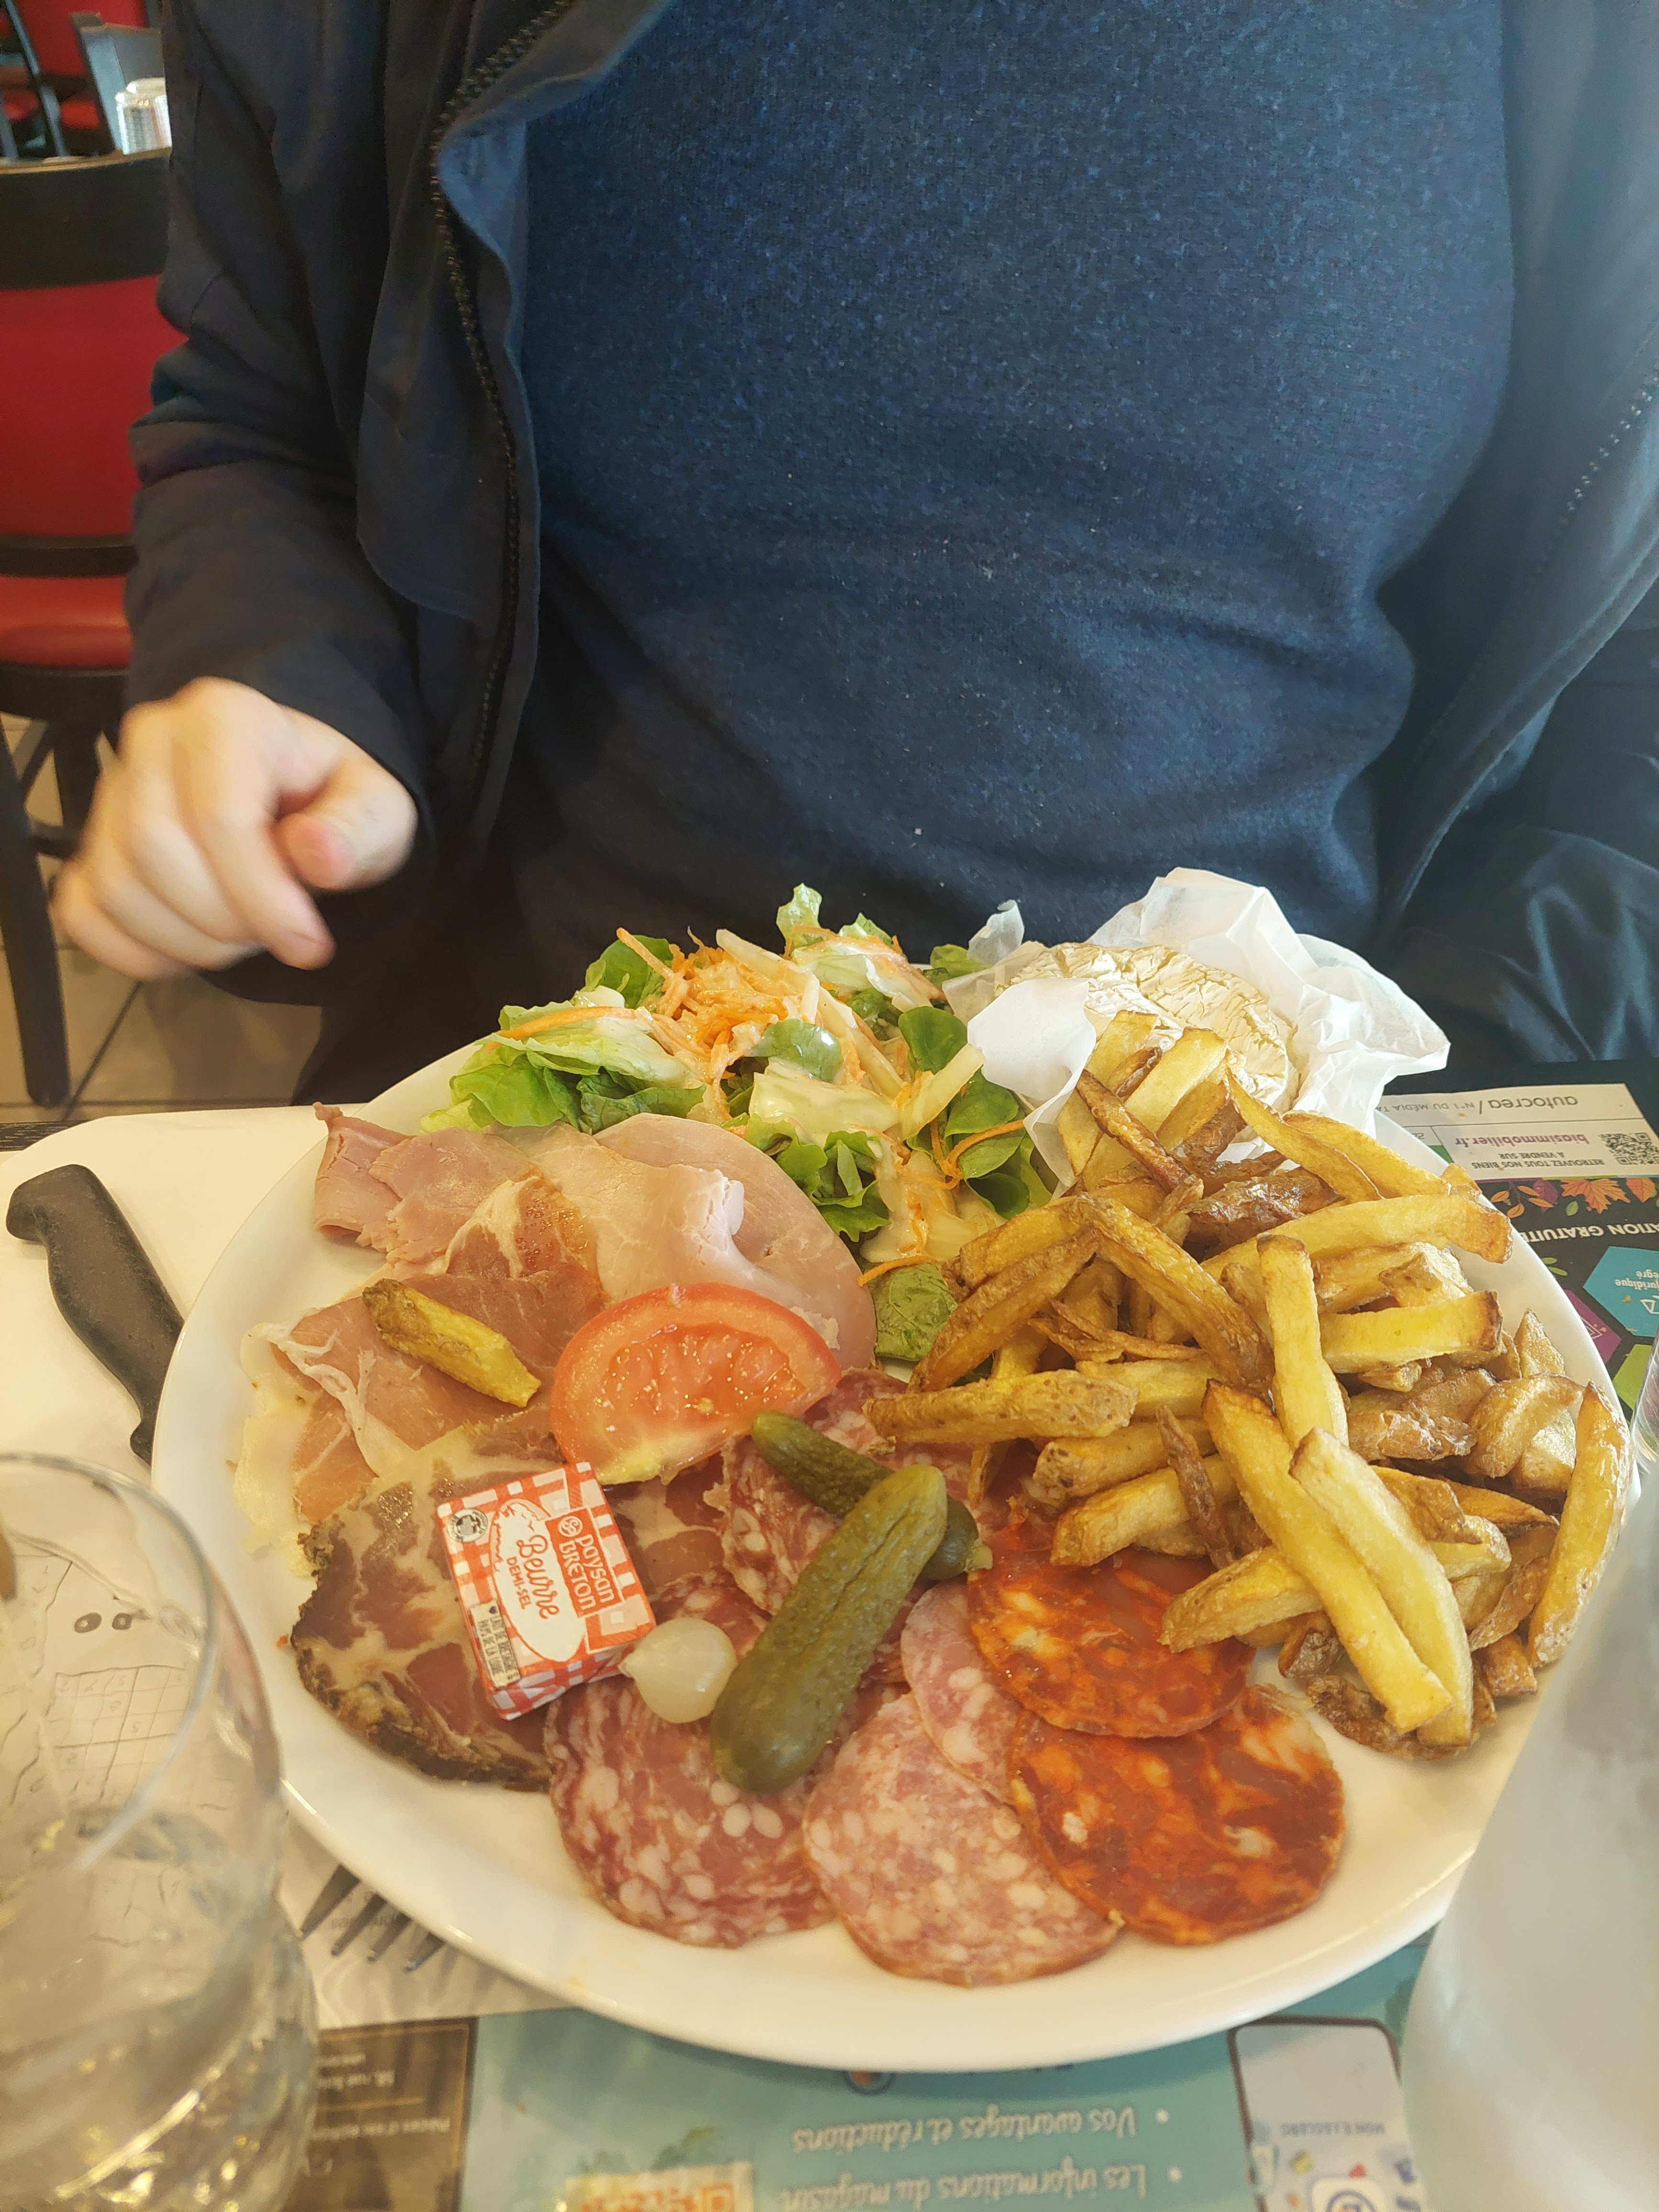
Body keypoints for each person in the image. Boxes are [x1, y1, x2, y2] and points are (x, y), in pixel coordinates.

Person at [56, 0, 1659, 1100]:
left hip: (1306, 1137)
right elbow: (265, 412)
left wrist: (1486, 1055)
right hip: (584, 1106)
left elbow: (1623, 621)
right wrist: (275, 669)